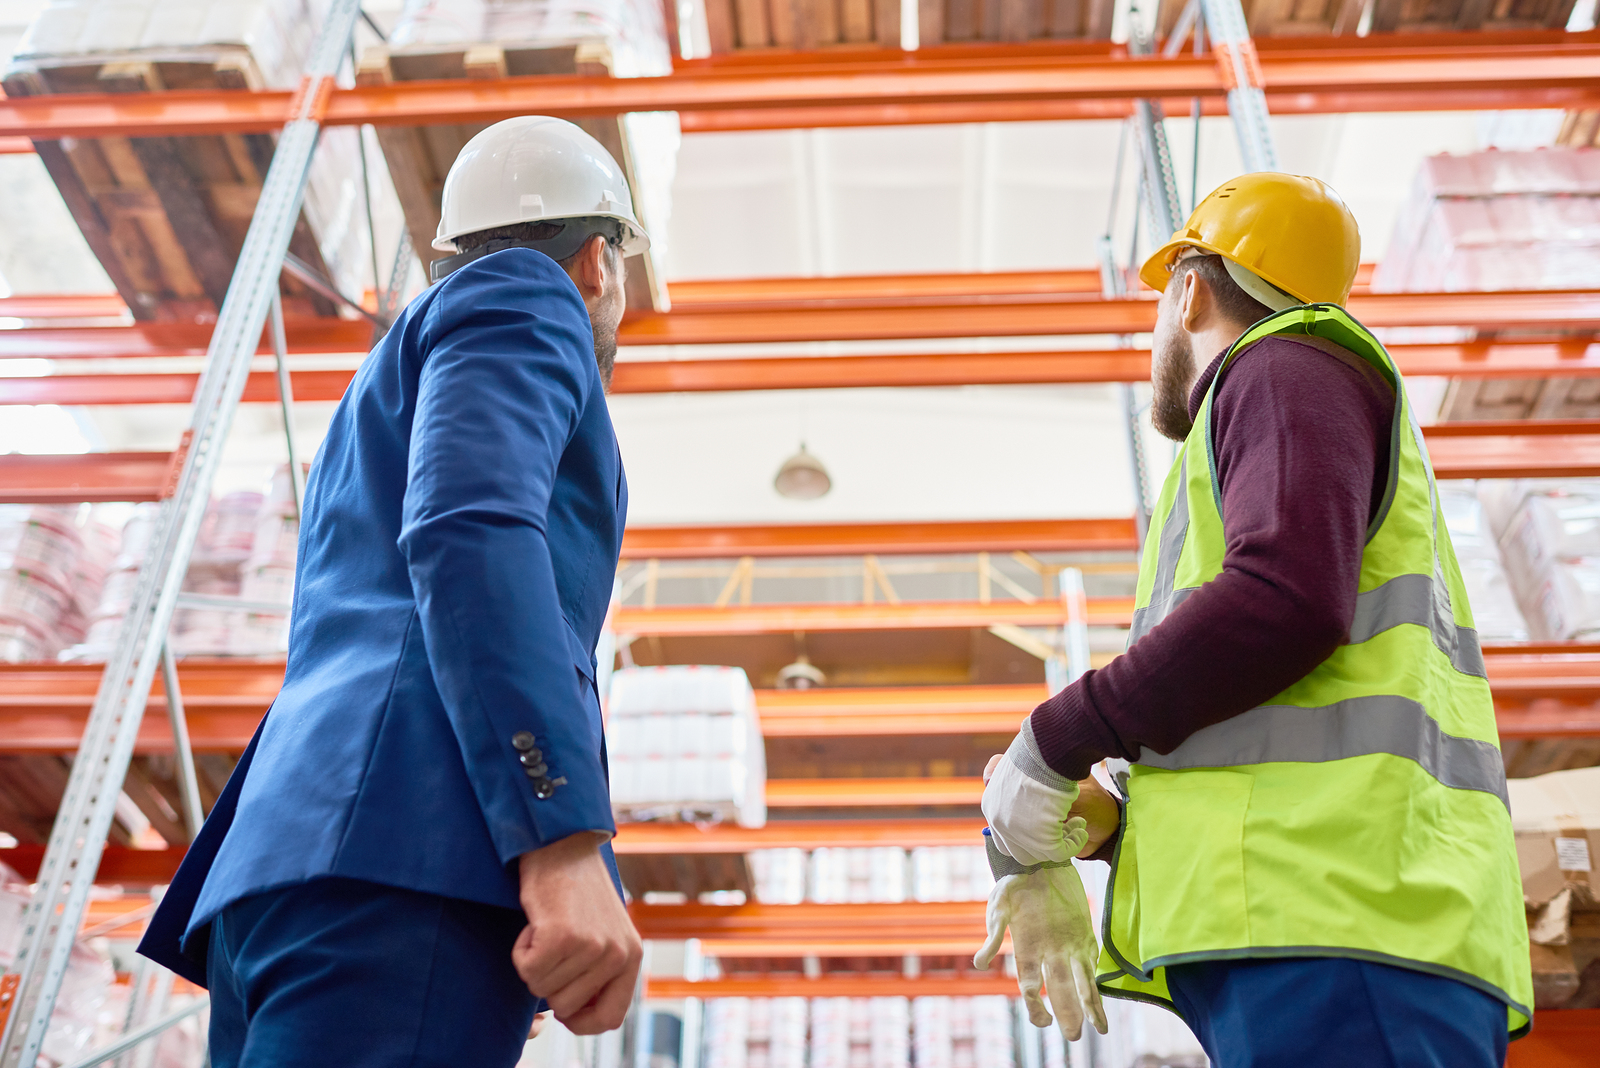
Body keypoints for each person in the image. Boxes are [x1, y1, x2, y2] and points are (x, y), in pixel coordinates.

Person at [976, 173, 1533, 1067]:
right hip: (1328, 925)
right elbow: (1284, 711)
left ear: (1191, 287)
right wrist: (1108, 828)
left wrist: (1054, 738)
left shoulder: (1282, 366)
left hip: (1342, 928)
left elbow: (1283, 602)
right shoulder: (1279, 403)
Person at [140, 116, 647, 1067]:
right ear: (598, 262)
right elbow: (471, 530)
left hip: (296, 870)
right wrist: (560, 841)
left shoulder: (387, 384)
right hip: (409, 865)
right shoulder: (528, 296)